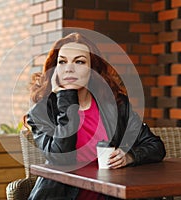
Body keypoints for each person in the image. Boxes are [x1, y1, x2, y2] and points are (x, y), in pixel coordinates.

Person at [25, 32, 166, 200]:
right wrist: (66, 99)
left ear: (93, 70)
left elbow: (155, 146)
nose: (69, 68)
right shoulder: (41, 112)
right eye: (62, 62)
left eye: (79, 61)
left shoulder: (115, 105)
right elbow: (61, 158)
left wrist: (130, 156)